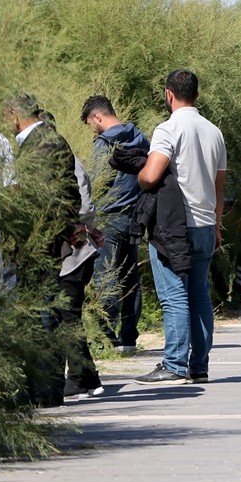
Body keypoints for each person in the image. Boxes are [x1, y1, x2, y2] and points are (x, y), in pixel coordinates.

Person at [4, 94, 103, 405]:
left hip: (38, 242)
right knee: (44, 314)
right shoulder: (47, 139)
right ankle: (44, 389)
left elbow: (47, 199)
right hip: (45, 240)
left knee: (43, 315)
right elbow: (68, 195)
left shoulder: (43, 143)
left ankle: (45, 391)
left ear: (13, 114)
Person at [135, 69, 226, 385]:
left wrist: (140, 175)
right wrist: (216, 226)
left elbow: (150, 175)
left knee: (173, 296)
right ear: (197, 95)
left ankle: (173, 364)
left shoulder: (168, 129)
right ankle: (198, 366)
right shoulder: (214, 131)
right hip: (204, 223)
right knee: (199, 293)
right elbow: (219, 186)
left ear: (168, 94)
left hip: (174, 226)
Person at [81, 95, 150, 354]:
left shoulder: (104, 144)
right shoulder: (142, 138)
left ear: (98, 116)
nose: (93, 128)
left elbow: (97, 183)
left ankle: (106, 339)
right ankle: (129, 338)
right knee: (130, 277)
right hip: (135, 218)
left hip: (109, 220)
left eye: (91, 123)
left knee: (106, 277)